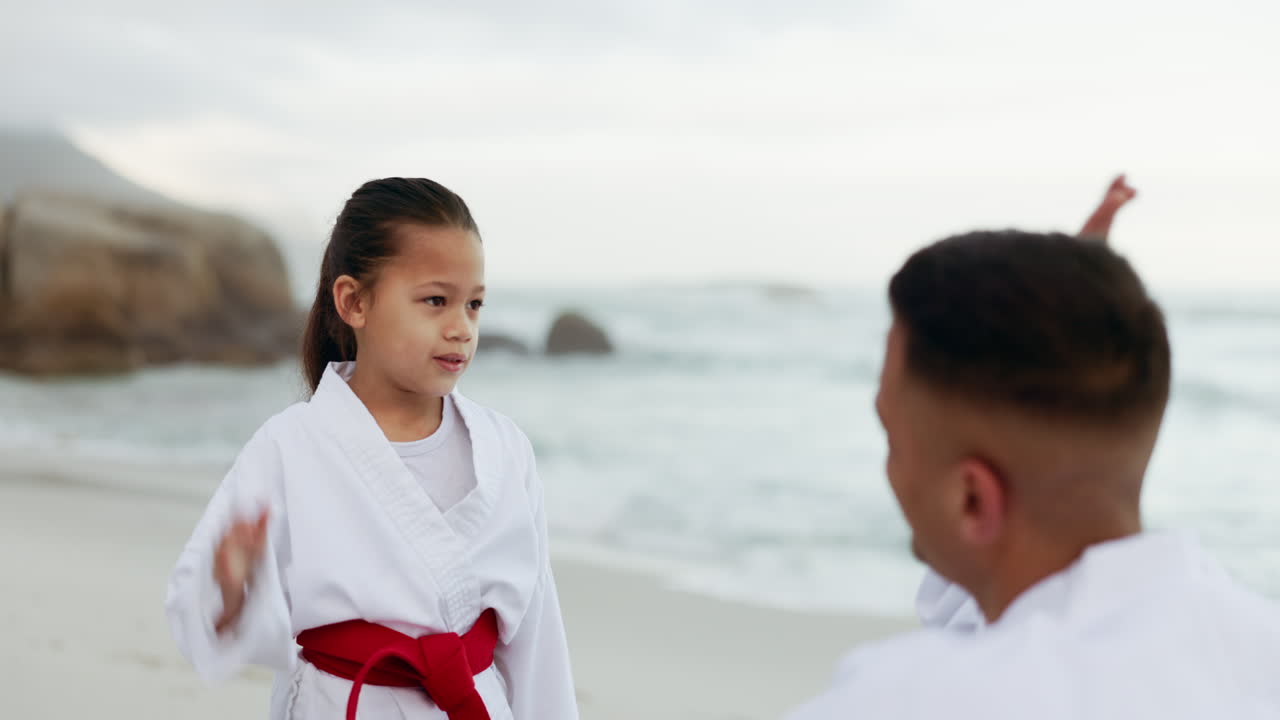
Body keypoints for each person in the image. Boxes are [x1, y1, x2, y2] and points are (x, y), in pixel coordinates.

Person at [786, 177, 1280, 719]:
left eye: (892, 439)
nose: (892, 471)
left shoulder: (910, 701)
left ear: (972, 498)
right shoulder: (1252, 647)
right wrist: (1068, 318)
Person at [166, 177, 578, 720]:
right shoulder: (290, 447)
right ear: (354, 302)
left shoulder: (506, 450)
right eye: (436, 300)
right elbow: (207, 613)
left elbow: (536, 637)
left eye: (474, 304)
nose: (462, 328)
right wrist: (232, 588)